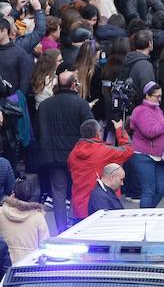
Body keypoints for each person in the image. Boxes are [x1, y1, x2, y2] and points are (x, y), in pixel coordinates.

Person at [40, 71, 94, 232]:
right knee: (80, 191)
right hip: (78, 156)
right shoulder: (81, 104)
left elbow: (40, 131)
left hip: (54, 156)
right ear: (73, 84)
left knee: (58, 194)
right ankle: (80, 227)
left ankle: (62, 230)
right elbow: (90, 128)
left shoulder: (45, 105)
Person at [67, 118, 133, 223]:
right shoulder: (103, 151)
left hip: (78, 206)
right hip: (100, 204)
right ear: (98, 133)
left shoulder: (73, 153)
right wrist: (119, 129)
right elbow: (128, 150)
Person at [128, 81, 164, 209]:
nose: (159, 99)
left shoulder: (157, 109)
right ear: (147, 96)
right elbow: (150, 132)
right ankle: (145, 217)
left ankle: (148, 212)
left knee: (162, 187)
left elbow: (159, 127)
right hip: (143, 155)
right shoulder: (140, 111)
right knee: (148, 190)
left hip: (158, 156)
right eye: (157, 96)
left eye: (160, 96)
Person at [0, 179, 49, 263]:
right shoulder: (38, 216)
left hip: (5, 266)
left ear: (13, 194)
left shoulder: (1, 212)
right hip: (29, 265)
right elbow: (45, 244)